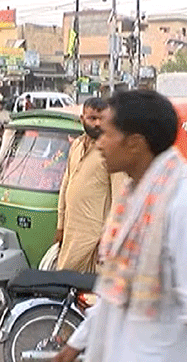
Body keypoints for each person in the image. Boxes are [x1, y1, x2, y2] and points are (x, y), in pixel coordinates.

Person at [51, 90, 187, 362]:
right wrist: (77, 342)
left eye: (107, 133)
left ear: (135, 143)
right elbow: (116, 289)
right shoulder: (134, 195)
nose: (99, 141)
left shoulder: (179, 202)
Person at [55, 97, 125, 273]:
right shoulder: (76, 145)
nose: (97, 124)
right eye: (92, 118)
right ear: (82, 119)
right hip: (71, 233)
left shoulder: (111, 151)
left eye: (102, 119)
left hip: (94, 240)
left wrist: (109, 237)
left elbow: (120, 198)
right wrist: (60, 226)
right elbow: (66, 186)